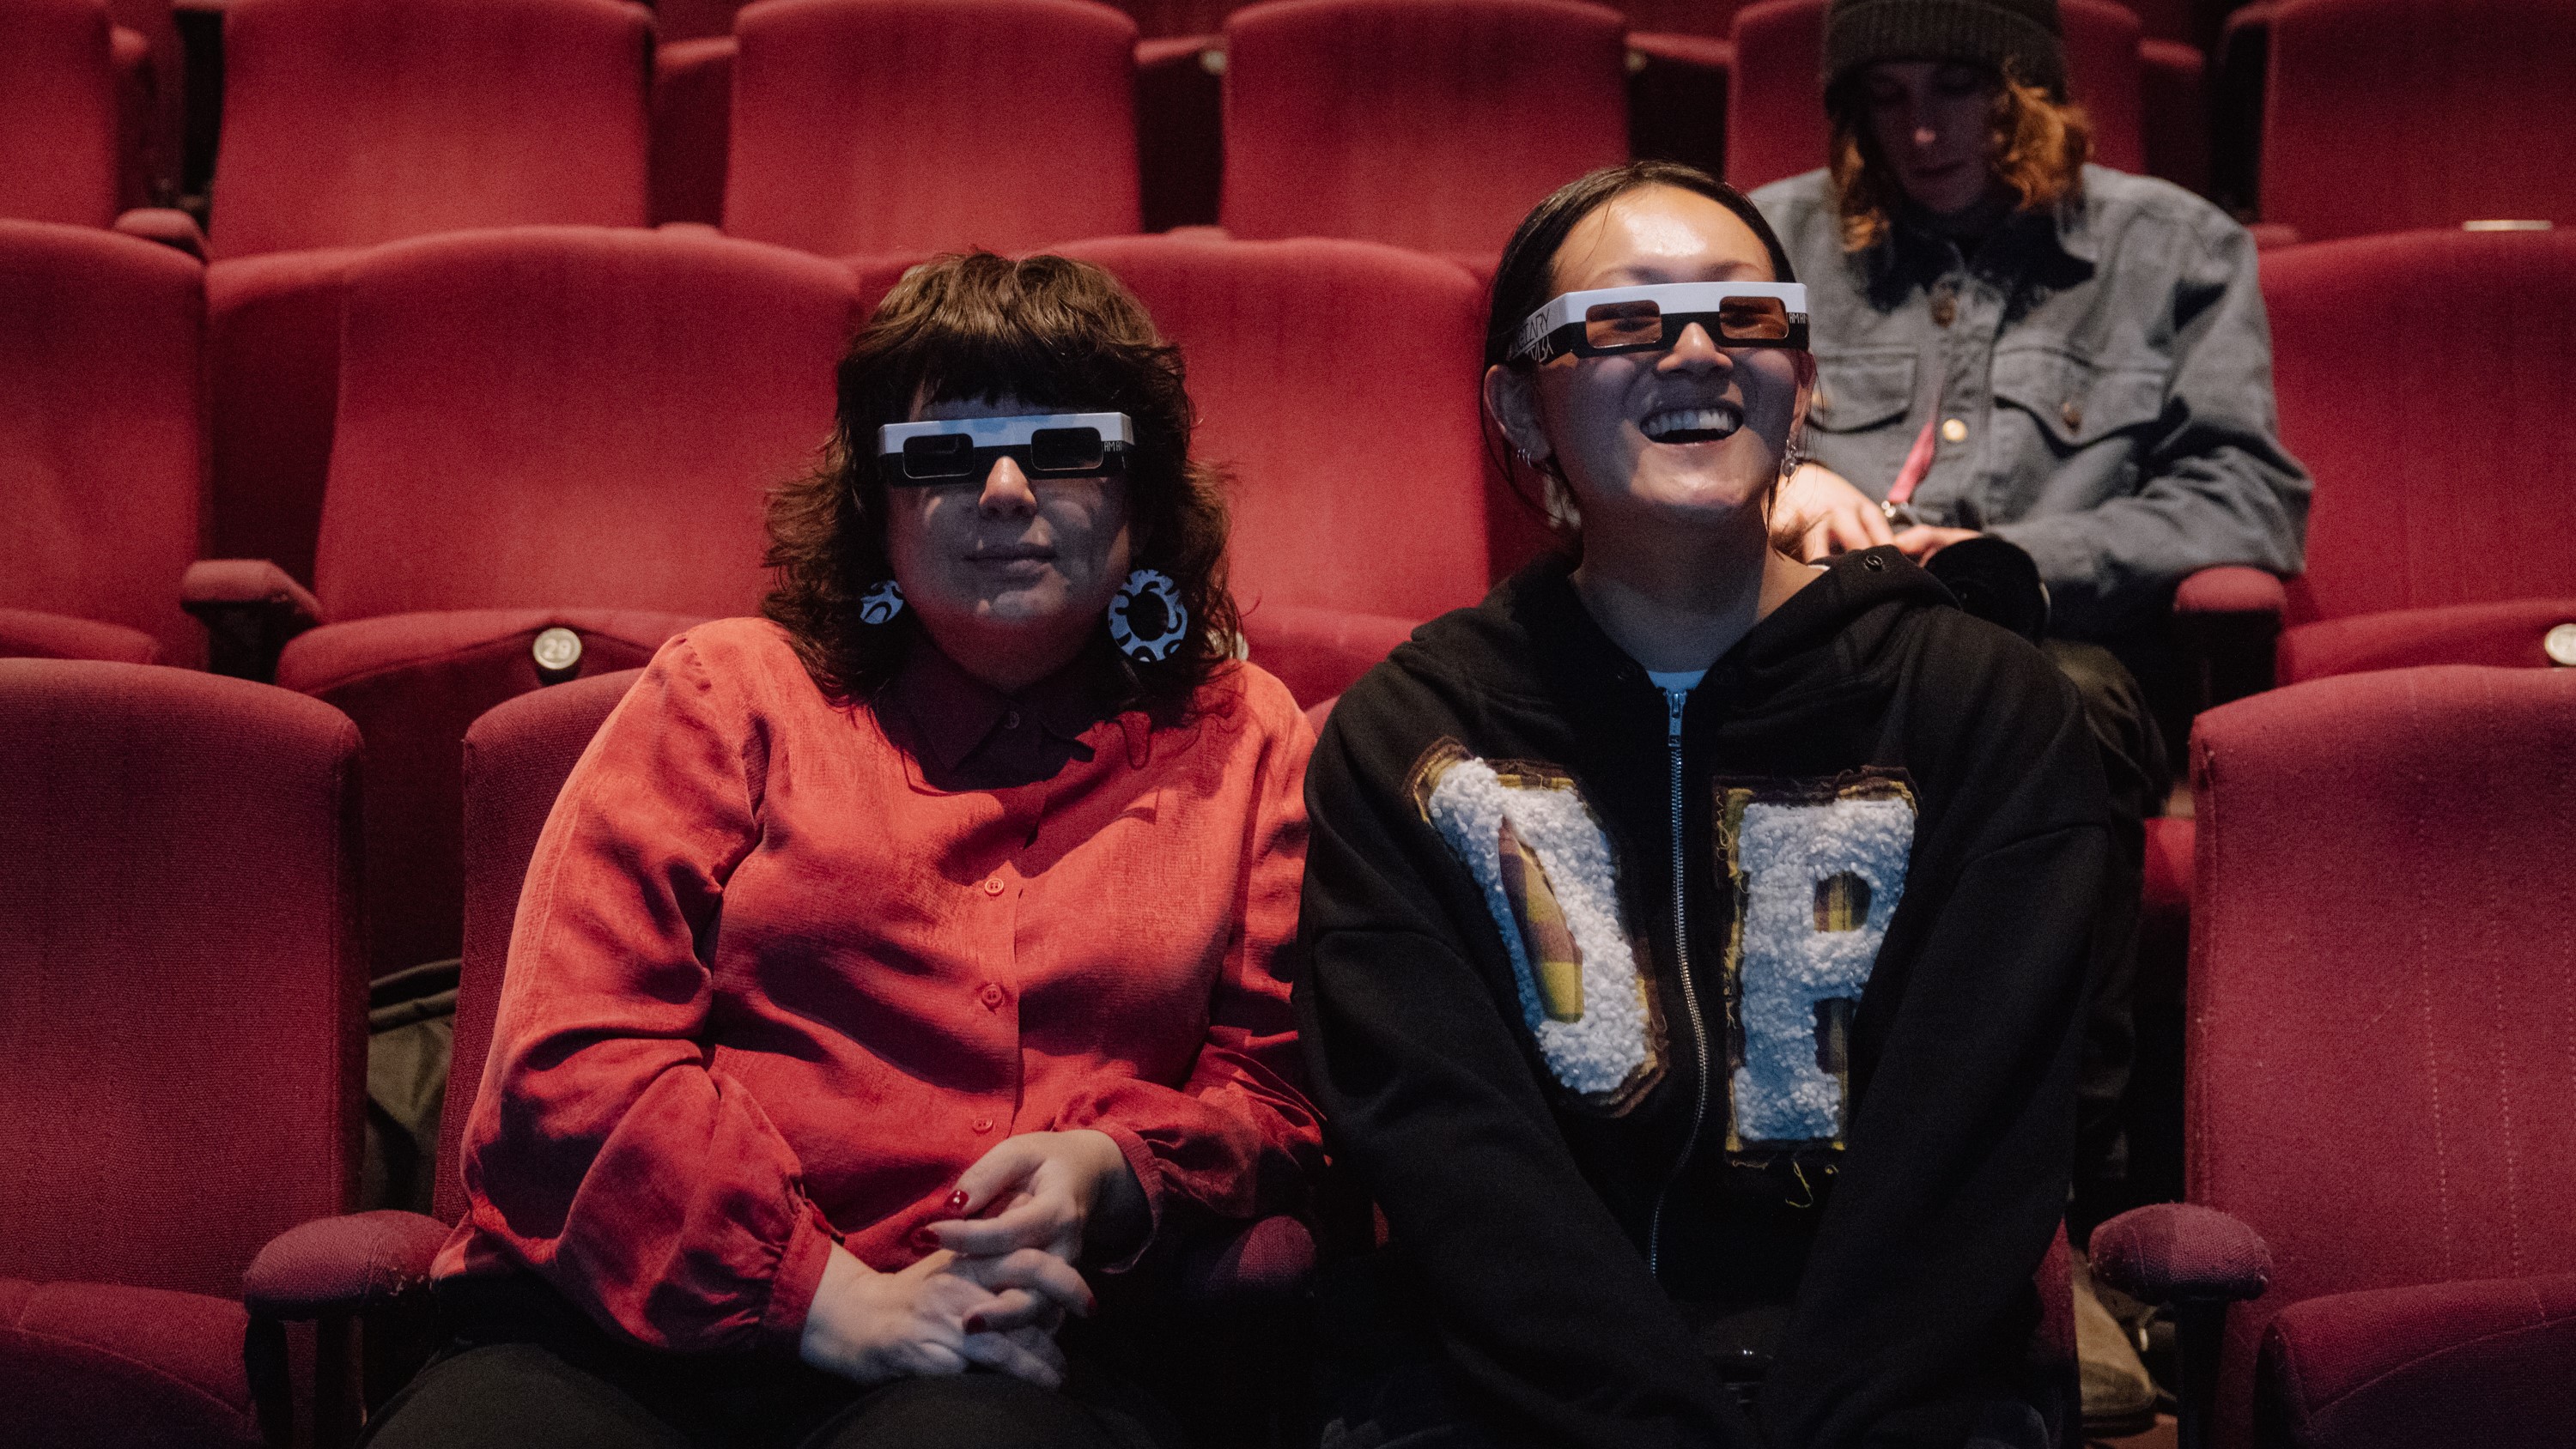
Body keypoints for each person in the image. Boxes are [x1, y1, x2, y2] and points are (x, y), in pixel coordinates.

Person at [361, 252, 1324, 1449]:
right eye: (942, 458)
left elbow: (1277, 1091)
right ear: (876, 503)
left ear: (1144, 493)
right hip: (623, 1318)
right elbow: (571, 1059)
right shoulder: (727, 694)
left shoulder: (1245, 735)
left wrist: (1118, 1170)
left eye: (1066, 445)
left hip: (1005, 1348)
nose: (1008, 491)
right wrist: (824, 1295)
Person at [1296, 161, 2112, 1449]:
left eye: (1748, 317)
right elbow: (1449, 1152)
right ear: (1519, 404)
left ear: (1806, 387)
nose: (1696, 353)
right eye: (1624, 321)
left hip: (1896, 1397)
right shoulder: (1408, 736)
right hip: (1515, 1400)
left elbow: (1973, 1145)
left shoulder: (1980, 708)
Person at [1748, 0, 2309, 1254]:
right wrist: (1770, 478)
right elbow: (1657, 421)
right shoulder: (1771, 238)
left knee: (2046, 708)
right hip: (1809, 641)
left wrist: (1998, 561)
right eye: (1884, 96)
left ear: (2034, 92)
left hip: (2053, 652)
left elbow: (2246, 499)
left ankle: (2045, 1225)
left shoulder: (2170, 245)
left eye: (1960, 86)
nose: (1923, 128)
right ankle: (1773, 1219)